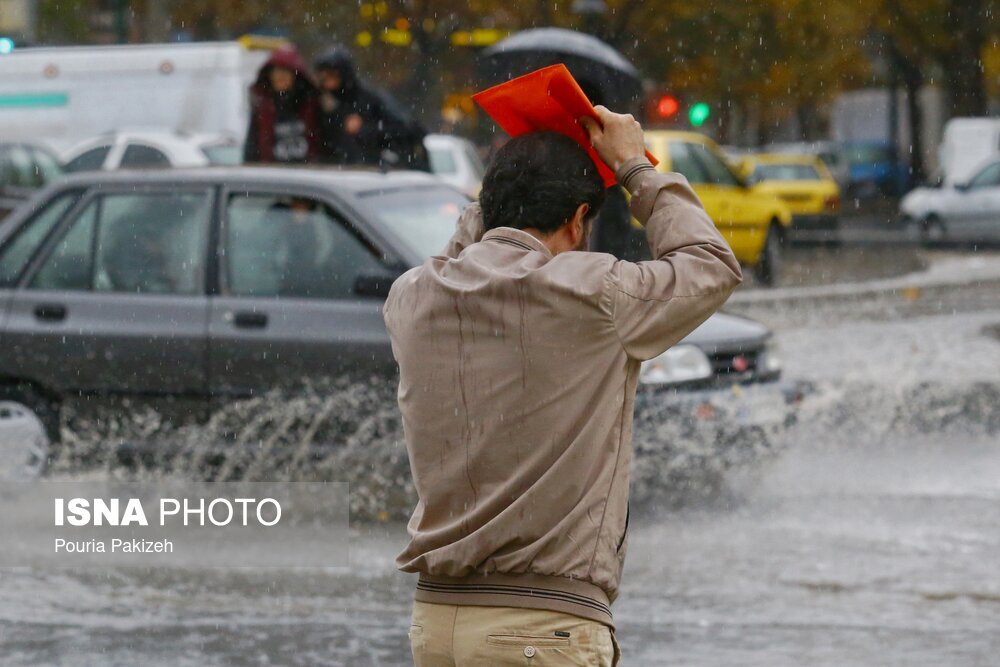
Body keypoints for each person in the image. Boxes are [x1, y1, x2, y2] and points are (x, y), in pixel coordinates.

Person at [383, 108, 742, 665]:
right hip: (543, 626)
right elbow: (710, 264)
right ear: (578, 221)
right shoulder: (595, 293)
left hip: (437, 624)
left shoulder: (411, 297)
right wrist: (634, 169)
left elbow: (464, 257)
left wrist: (507, 182)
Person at [313, 46, 429, 170]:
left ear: (343, 74)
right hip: (343, 172)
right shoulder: (325, 103)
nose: (326, 83)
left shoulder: (369, 99)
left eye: (331, 76)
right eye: (323, 77)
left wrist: (365, 129)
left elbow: (407, 129)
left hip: (375, 173)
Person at [243, 46, 319, 164]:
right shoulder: (263, 110)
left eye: (285, 72)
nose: (280, 77)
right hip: (275, 177)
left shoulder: (312, 105)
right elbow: (252, 147)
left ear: (295, 76)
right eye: (276, 72)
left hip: (309, 176)